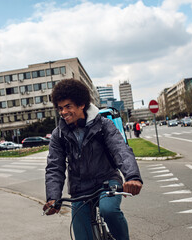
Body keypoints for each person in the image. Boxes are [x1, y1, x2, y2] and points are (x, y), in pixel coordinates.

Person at [43, 79, 143, 240]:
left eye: (68, 106)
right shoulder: (58, 134)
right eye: (60, 108)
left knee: (109, 210)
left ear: (81, 104)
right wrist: (53, 197)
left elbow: (120, 150)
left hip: (107, 181)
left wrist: (132, 177)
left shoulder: (104, 125)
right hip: (79, 189)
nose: (63, 112)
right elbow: (55, 166)